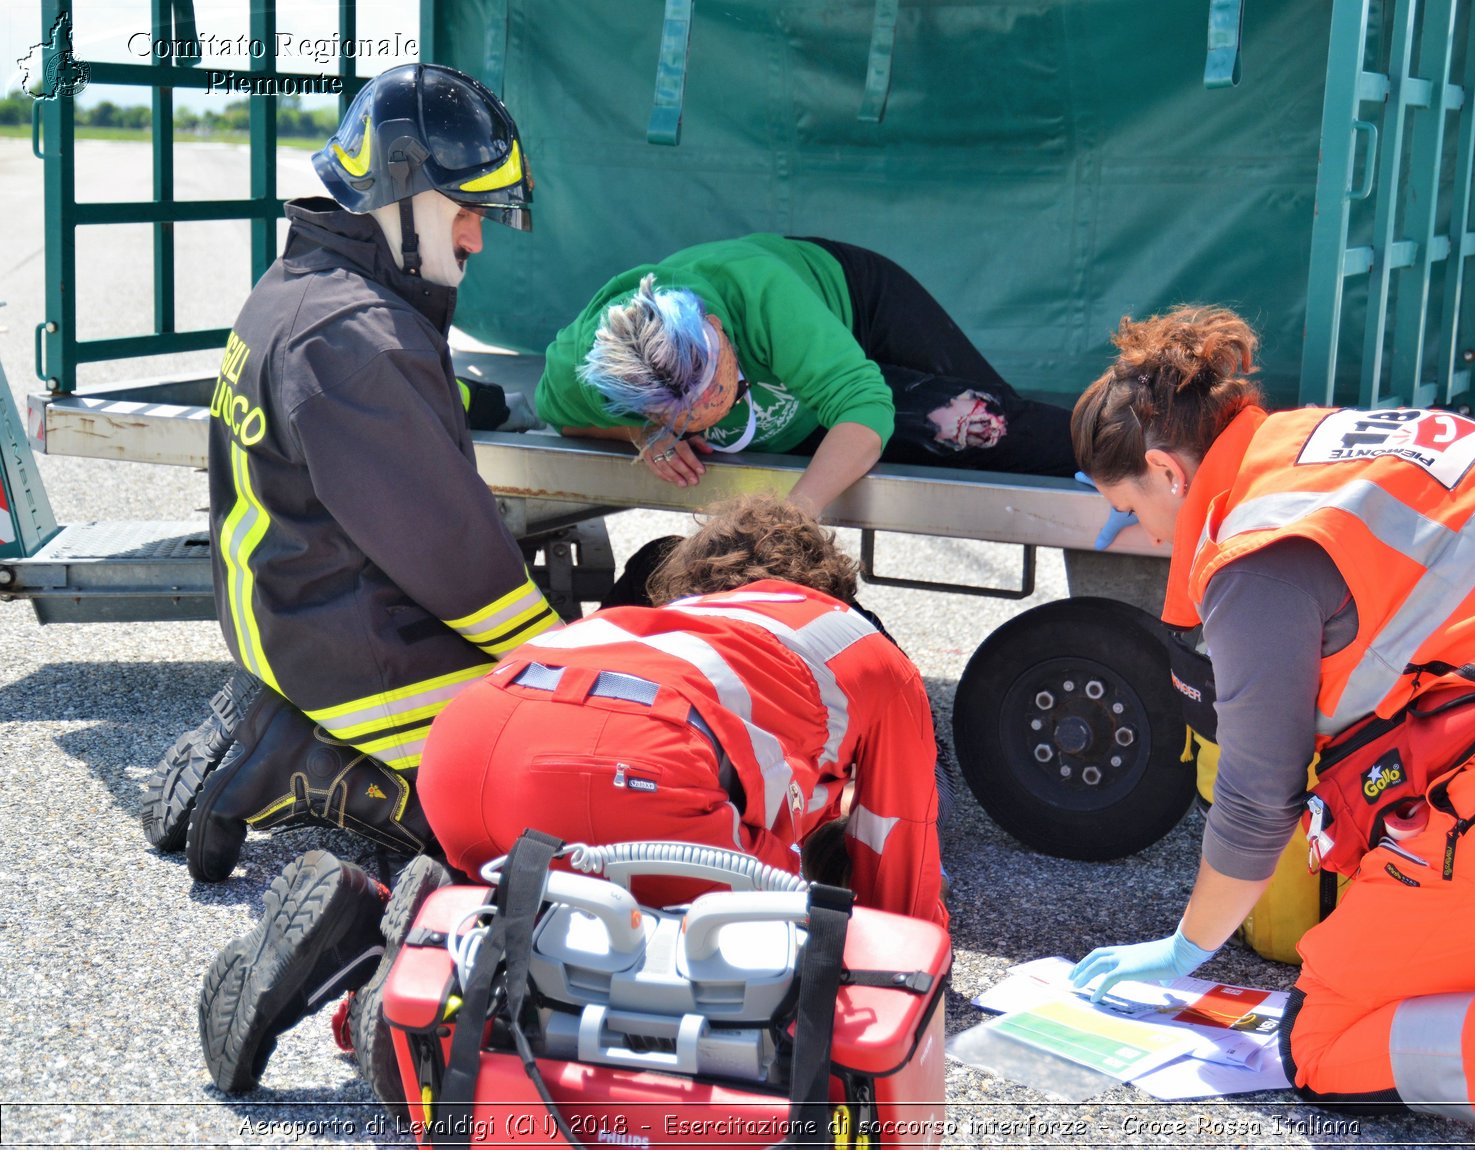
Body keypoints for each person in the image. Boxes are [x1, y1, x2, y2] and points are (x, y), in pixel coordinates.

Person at [195, 497, 945, 1097]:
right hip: (635, 770)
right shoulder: (862, 648)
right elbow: (895, 851)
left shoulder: (655, 621)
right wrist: (901, 974)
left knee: (534, 903)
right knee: (709, 963)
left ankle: (380, 920)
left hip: (465, 751)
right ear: (832, 589)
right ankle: (426, 1015)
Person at [1066, 305, 1475, 1131]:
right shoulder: (1324, 444)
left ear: (1169, 473)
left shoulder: (1257, 548)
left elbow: (1255, 797)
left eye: (1130, 509)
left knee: (1323, 1038)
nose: (1140, 533)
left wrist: (1185, 948)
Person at [141, 63, 562, 884]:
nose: (476, 238)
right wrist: (561, 666)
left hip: (294, 618)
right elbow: (457, 563)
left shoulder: (306, 290)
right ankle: (307, 762)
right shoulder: (358, 340)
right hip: (353, 645)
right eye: (470, 211)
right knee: (536, 812)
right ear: (402, 195)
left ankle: (291, 720)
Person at [535, 234, 1078, 515]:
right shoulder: (583, 366)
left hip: (858, 306)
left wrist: (798, 512)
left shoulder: (761, 293)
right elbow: (559, 417)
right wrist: (641, 433)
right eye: (680, 418)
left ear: (718, 328)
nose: (706, 416)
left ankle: (1141, 445)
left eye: (723, 389)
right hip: (798, 399)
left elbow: (862, 403)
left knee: (992, 426)